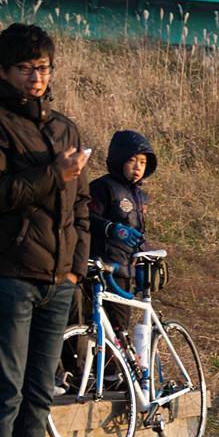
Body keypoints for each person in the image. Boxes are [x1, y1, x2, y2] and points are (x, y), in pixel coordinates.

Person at [0, 23, 90, 437]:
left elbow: (83, 207)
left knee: (38, 399)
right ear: (2, 69)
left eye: (44, 68)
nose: (37, 77)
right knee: (4, 395)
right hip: (7, 275)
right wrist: (54, 173)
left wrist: (75, 270)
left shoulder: (63, 127)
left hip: (57, 282)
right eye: (26, 68)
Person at [88, 129, 154, 333]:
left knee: (119, 330)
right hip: (103, 267)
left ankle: (119, 365)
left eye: (142, 162)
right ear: (119, 160)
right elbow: (85, 218)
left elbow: (138, 233)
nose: (138, 167)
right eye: (132, 160)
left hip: (126, 271)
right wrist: (112, 228)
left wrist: (145, 257)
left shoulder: (141, 196)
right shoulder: (101, 187)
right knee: (100, 329)